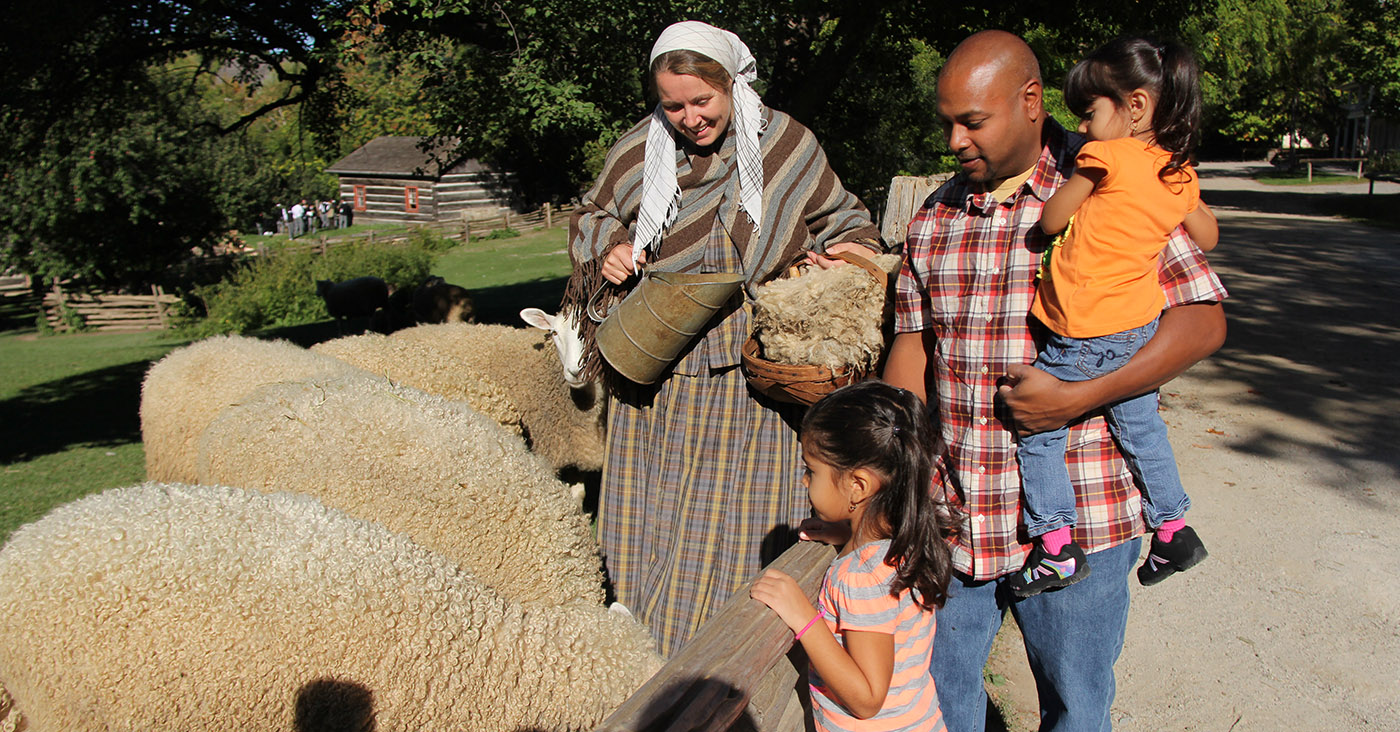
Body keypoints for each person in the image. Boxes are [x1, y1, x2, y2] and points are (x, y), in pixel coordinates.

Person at [882, 30, 1227, 732]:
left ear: (1032, 103)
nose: (954, 140)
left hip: (1084, 519)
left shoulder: (1115, 179)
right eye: (946, 122)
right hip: (956, 511)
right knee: (942, 707)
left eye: (972, 122)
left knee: (1076, 707)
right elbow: (914, 349)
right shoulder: (934, 218)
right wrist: (896, 475)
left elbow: (1201, 323)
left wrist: (1078, 397)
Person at [564, 20, 885, 656]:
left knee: (739, 520)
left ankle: (737, 646)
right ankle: (639, 653)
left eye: (701, 101)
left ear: (731, 83)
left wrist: (842, 258)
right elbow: (590, 216)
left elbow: (845, 219)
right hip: (657, 367)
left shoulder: (786, 145)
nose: (689, 118)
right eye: (673, 105)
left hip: (749, 372)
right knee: (653, 518)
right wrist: (611, 249)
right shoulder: (639, 152)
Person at [1009, 36, 1218, 598]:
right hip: (1137, 327)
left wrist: (1081, 192)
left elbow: (1051, 220)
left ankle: (1055, 546)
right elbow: (1208, 234)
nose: (1083, 122)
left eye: (1090, 110)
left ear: (1136, 107)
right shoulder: (1177, 173)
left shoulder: (1104, 156)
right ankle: (1172, 529)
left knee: (1039, 428)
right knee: (1142, 427)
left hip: (1082, 327)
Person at [751, 381, 958, 732]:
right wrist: (847, 532)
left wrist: (803, 616)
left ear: (858, 486)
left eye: (812, 470)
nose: (804, 482)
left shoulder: (860, 576)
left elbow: (867, 698)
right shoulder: (910, 538)